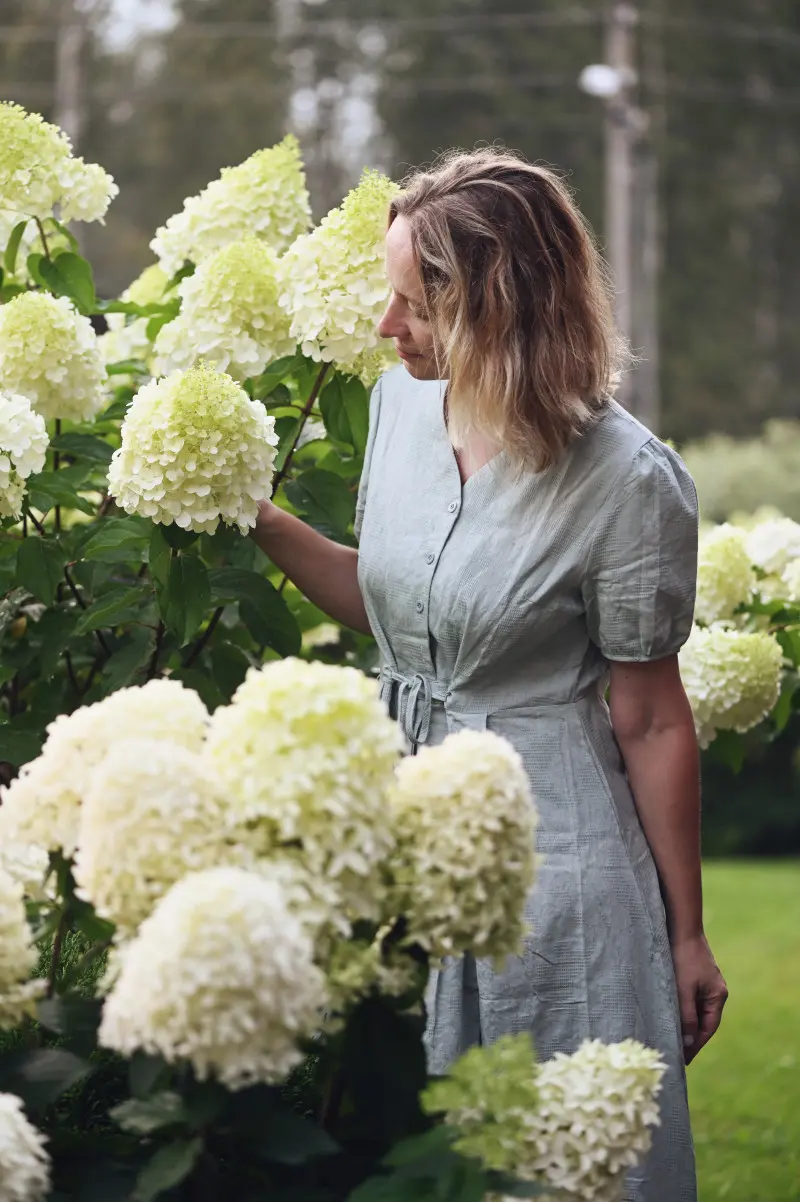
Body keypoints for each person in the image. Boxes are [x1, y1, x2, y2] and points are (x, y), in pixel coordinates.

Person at [252, 148, 728, 1202]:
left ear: (498, 304)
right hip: (398, 838)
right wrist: (251, 509)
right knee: (404, 1155)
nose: (387, 327)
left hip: (550, 870)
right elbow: (391, 611)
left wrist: (684, 931)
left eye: (415, 302)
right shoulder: (398, 411)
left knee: (551, 1159)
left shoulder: (628, 480)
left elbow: (649, 715)